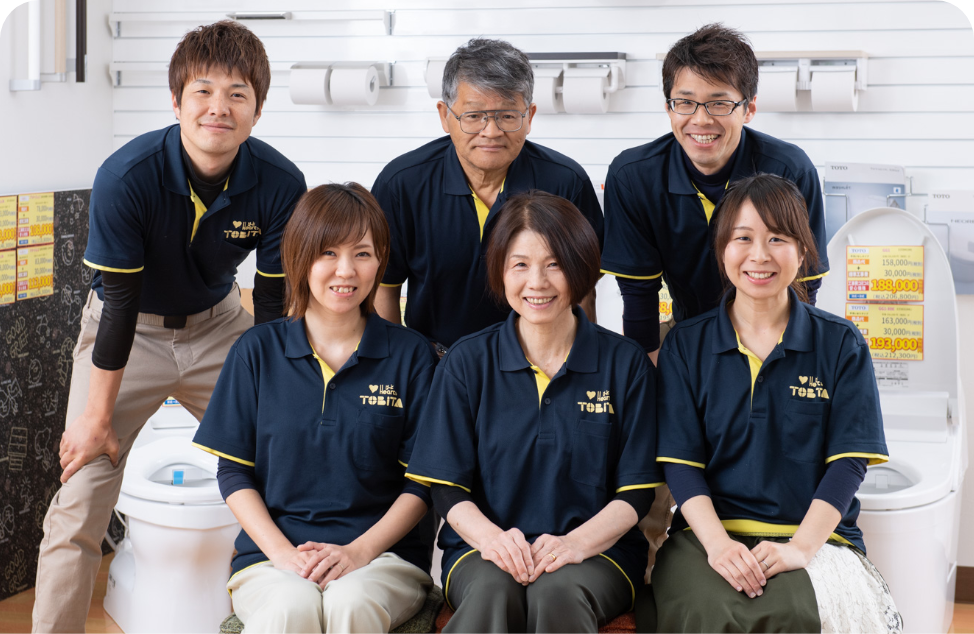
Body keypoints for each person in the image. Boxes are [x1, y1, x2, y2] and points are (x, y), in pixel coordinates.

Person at [32, 21, 307, 634]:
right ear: (176, 100)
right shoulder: (126, 175)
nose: (218, 107)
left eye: (237, 94)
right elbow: (119, 303)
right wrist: (96, 419)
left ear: (258, 109)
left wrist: (280, 406)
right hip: (126, 334)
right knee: (79, 500)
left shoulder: (282, 183)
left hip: (221, 328)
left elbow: (271, 304)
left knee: (288, 463)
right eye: (203, 91)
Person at [598, 23, 831, 569]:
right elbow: (637, 301)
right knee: (659, 457)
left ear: (749, 107)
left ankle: (778, 560)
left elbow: (805, 285)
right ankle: (653, 578)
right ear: (668, 106)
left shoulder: (788, 169)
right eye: (685, 102)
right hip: (681, 340)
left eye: (719, 103)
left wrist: (780, 368)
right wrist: (660, 389)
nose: (700, 119)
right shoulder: (634, 175)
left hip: (773, 337)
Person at [638, 174, 901, 634]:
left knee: (791, 615)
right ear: (722, 250)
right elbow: (680, 464)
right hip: (707, 535)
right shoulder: (685, 345)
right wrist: (718, 546)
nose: (759, 255)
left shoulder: (840, 343)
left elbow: (848, 463)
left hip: (813, 535)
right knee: (705, 612)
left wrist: (800, 548)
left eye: (777, 238)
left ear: (802, 251)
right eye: (743, 238)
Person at [405, 191, 662, 634]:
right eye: (520, 265)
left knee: (556, 591)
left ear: (581, 268)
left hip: (600, 552)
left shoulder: (626, 365)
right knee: (492, 589)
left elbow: (636, 494)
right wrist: (492, 540)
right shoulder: (467, 362)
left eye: (554, 264)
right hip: (483, 548)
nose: (536, 282)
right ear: (500, 271)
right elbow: (446, 487)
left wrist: (575, 544)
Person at [192, 183, 437, 633]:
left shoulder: (412, 356)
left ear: (380, 260)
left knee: (350, 603)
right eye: (328, 253)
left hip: (383, 559)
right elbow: (234, 472)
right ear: (299, 258)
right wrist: (283, 555)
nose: (346, 270)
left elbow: (422, 482)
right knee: (291, 607)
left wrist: (359, 552)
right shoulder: (256, 352)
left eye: (362, 254)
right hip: (271, 558)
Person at [372, 38, 603, 353]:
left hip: (540, 362)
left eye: (507, 116)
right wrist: (395, 365)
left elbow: (583, 291)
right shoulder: (402, 184)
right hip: (434, 361)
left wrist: (581, 365)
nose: (491, 132)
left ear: (530, 116)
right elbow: (383, 286)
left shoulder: (565, 183)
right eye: (474, 116)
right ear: (445, 115)